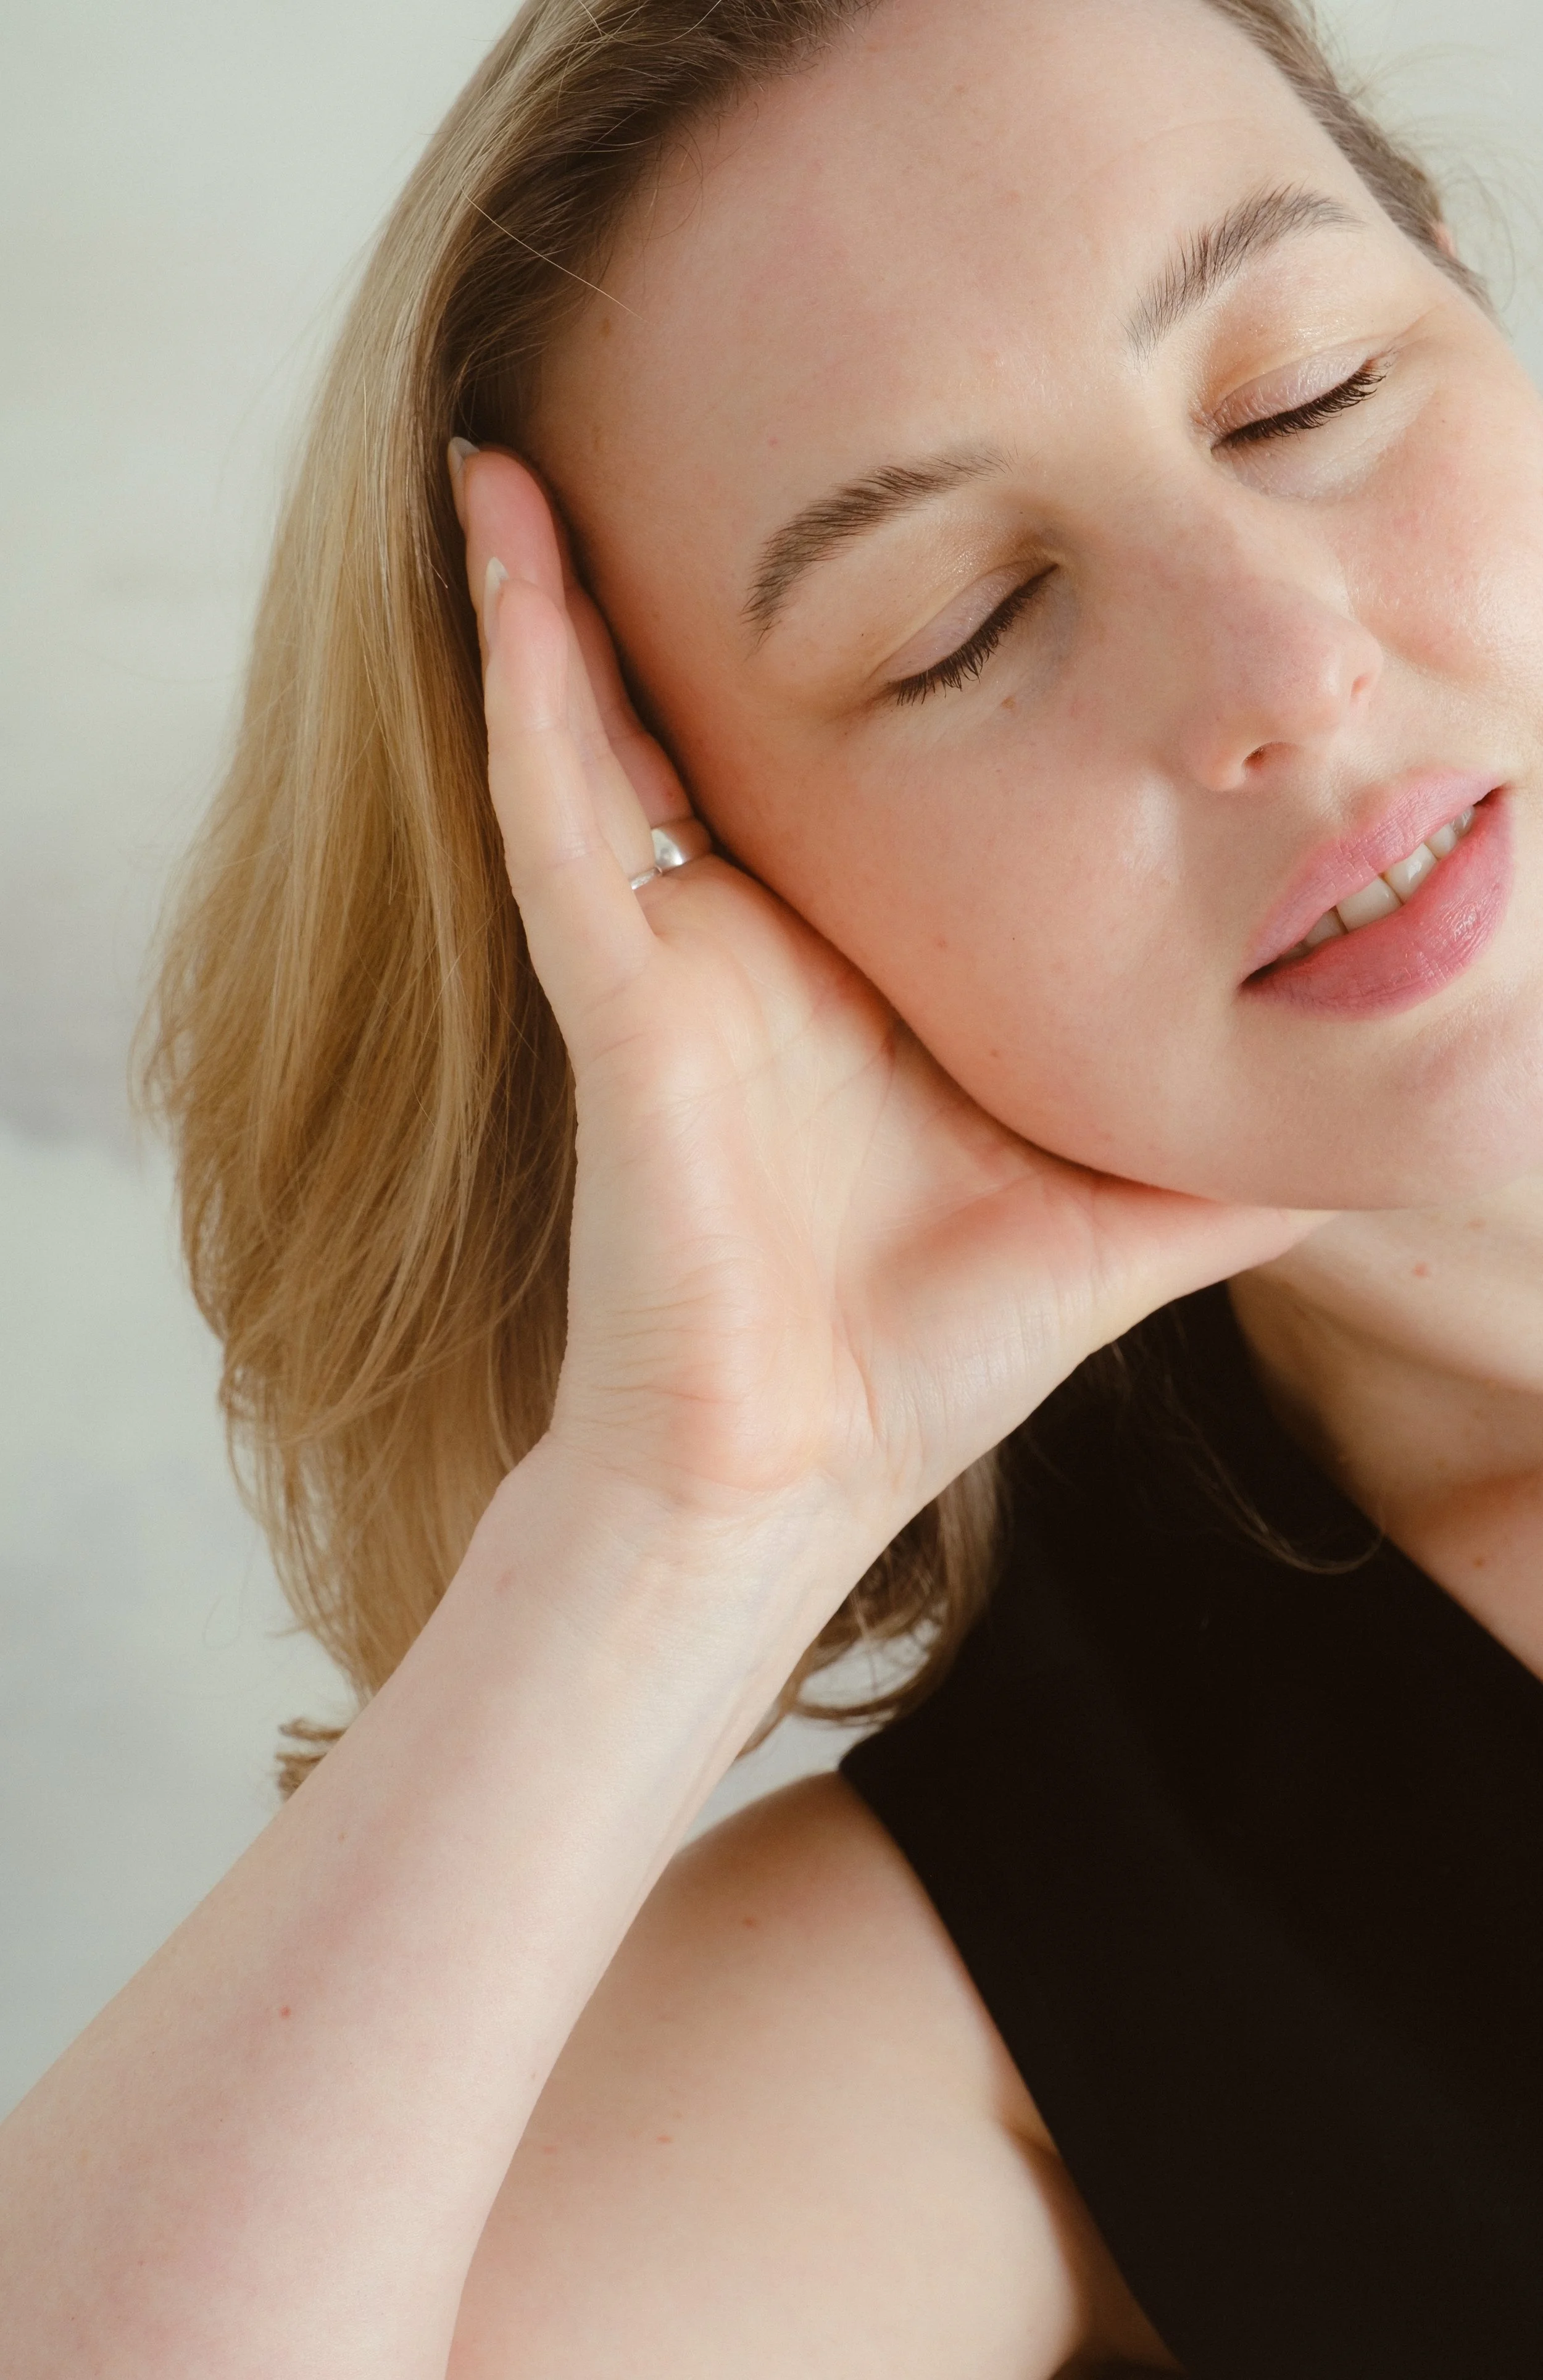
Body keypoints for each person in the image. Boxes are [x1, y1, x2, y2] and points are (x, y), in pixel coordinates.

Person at [3, 0, 1541, 2369]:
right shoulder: (1046, 1956)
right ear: (741, 898)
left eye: (1305, 391)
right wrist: (679, 1515)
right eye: (964, 626)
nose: (1281, 663)